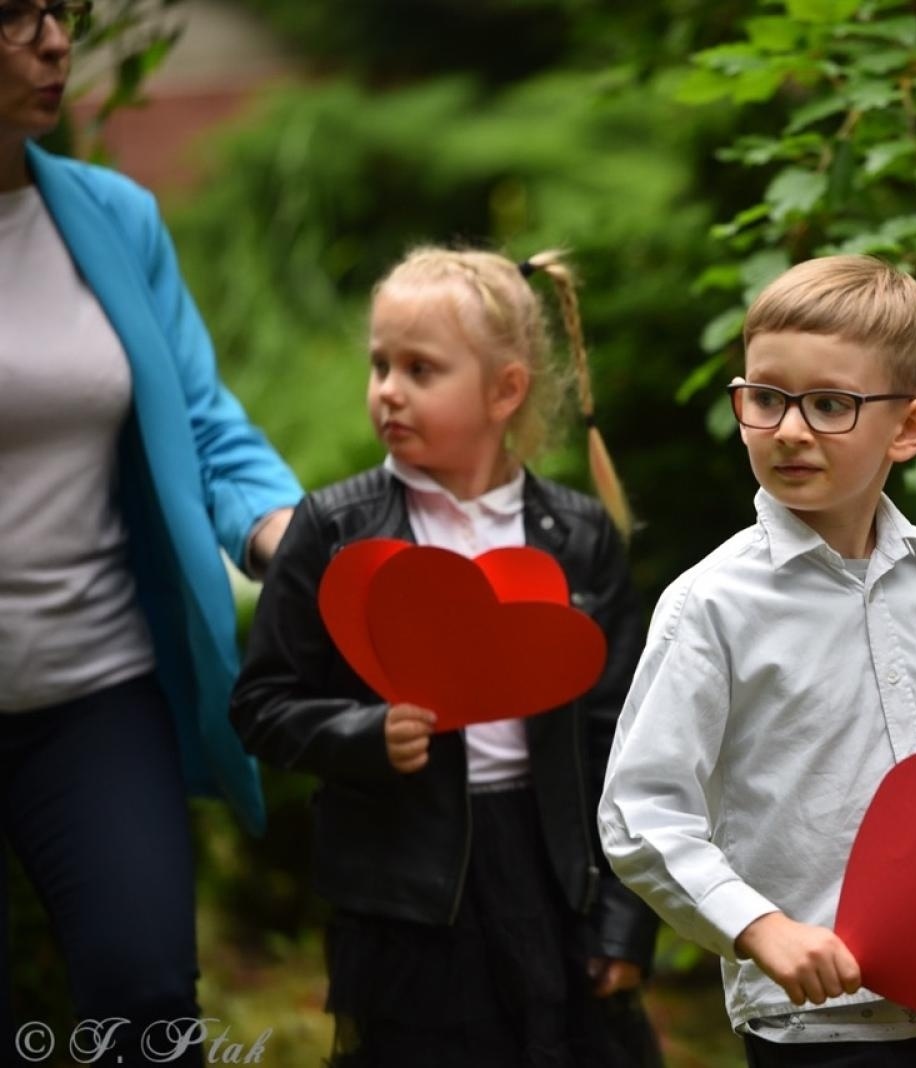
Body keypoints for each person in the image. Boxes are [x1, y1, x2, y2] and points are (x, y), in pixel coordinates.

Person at [598, 254, 916, 1067]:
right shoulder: (711, 606)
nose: (789, 430)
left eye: (830, 404)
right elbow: (641, 812)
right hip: (818, 1026)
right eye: (764, 399)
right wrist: (759, 928)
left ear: (909, 428)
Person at [229, 248, 661, 1068]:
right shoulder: (336, 528)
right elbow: (263, 703)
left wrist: (623, 918)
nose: (388, 389)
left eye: (420, 369)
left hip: (553, 877)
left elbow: (623, 738)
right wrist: (363, 733)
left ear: (505, 391)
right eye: (380, 364)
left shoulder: (574, 538)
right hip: (407, 894)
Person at [1, 2, 301, 1061]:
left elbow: (203, 418)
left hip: (93, 689)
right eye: (10, 15)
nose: (50, 42)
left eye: (58, 13)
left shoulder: (113, 217)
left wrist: (280, 534)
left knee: (145, 1004)